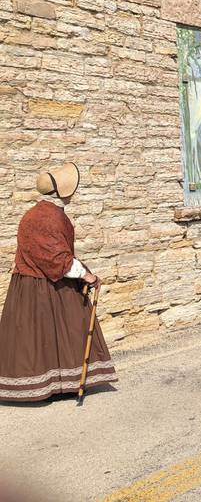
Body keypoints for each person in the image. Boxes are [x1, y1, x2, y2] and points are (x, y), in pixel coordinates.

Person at [0, 162, 118, 402]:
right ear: (63, 192)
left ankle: (60, 383)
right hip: (44, 285)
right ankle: (55, 384)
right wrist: (87, 275)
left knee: (47, 336)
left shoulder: (35, 213)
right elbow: (58, 257)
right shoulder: (49, 218)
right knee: (60, 331)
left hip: (30, 285)